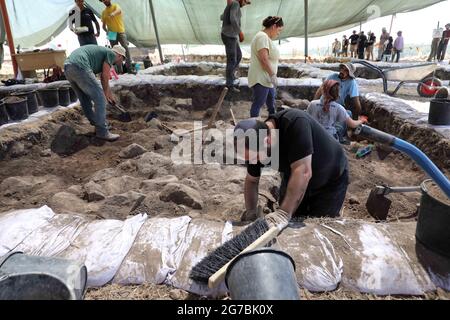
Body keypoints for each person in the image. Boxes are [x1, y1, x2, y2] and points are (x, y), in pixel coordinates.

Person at [234, 109, 350, 226]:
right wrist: (251, 211)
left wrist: (283, 213)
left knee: (317, 226)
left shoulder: (295, 123)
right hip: (294, 175)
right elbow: (252, 181)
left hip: (329, 178)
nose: (253, 162)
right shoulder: (255, 143)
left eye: (256, 157)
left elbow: (303, 172)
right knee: (290, 222)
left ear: (267, 141)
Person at [64, 45, 126, 141]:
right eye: (122, 59)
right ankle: (102, 131)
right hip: (80, 66)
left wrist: (109, 95)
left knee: (84, 99)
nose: (121, 62)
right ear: (120, 56)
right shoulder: (111, 54)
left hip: (68, 67)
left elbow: (104, 78)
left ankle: (97, 124)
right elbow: (104, 77)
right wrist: (105, 95)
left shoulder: (102, 54)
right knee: (100, 98)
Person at [248, 16, 283, 118]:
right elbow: (264, 59)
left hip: (266, 79)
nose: (278, 33)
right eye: (279, 30)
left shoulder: (265, 38)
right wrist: (272, 75)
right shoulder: (262, 37)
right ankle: (253, 127)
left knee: (271, 105)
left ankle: (273, 125)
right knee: (258, 103)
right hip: (261, 78)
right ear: (274, 26)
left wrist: (272, 76)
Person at [220, 0, 251, 92]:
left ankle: (231, 75)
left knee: (239, 55)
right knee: (232, 59)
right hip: (229, 35)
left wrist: (227, 9)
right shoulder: (236, 4)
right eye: (245, 2)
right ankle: (229, 85)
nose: (245, 4)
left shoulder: (232, 4)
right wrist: (240, 32)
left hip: (231, 35)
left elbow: (221, 17)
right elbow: (233, 18)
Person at [99, 0, 133, 74]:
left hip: (120, 31)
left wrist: (113, 14)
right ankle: (120, 72)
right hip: (111, 33)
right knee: (115, 53)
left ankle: (130, 69)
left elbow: (119, 10)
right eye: (103, 0)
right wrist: (106, 31)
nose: (105, 1)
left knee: (125, 48)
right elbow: (103, 26)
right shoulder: (104, 12)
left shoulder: (115, 6)